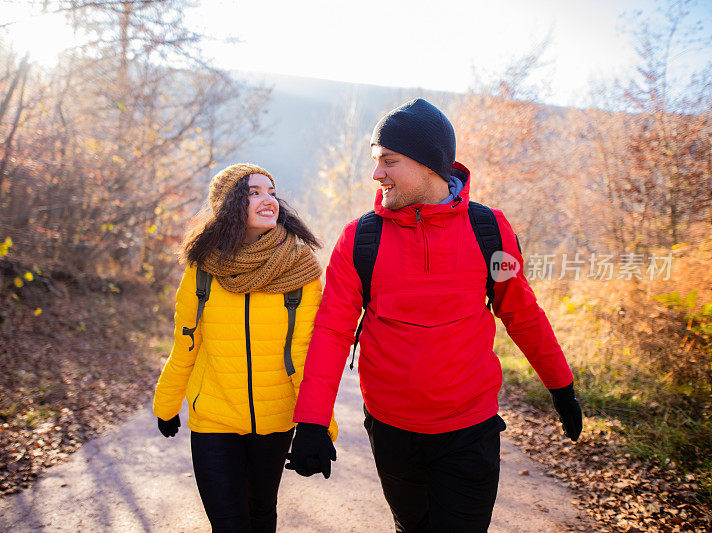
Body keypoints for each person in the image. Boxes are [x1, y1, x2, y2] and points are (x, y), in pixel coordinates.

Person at [285, 98, 582, 532]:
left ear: (430, 165)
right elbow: (332, 331)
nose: (376, 173)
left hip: (470, 429)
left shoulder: (491, 230)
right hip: (391, 431)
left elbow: (521, 312)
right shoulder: (359, 239)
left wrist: (561, 386)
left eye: (389, 161)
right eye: (375, 160)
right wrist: (311, 421)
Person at [153, 163, 337, 533]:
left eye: (271, 192)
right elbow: (187, 344)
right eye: (254, 192)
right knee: (228, 523)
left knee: (261, 516)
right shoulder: (202, 270)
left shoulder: (299, 270)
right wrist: (166, 403)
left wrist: (318, 425)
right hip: (214, 419)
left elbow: (304, 352)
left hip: (275, 417)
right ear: (229, 205)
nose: (268, 200)